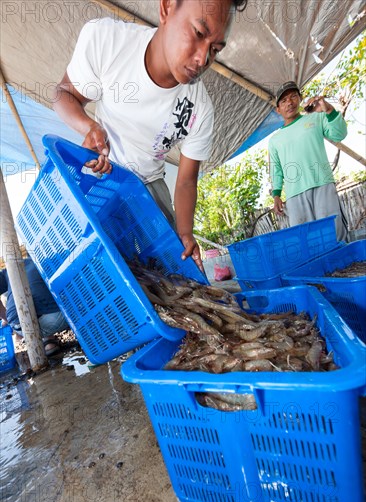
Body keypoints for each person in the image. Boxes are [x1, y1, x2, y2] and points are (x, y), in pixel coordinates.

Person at [52, 0, 248, 271]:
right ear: (167, 7)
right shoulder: (108, 41)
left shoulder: (199, 109)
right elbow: (64, 95)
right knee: (99, 268)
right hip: (103, 176)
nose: (203, 59)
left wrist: (185, 232)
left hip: (151, 188)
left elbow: (186, 182)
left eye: (215, 49)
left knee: (164, 272)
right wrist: (90, 127)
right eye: (199, 34)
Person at [269, 81, 348, 241]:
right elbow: (276, 168)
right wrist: (276, 195)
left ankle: (344, 265)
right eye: (283, 101)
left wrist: (329, 110)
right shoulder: (274, 140)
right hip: (294, 194)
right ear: (278, 109)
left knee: (333, 233)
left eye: (293, 97)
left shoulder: (316, 119)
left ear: (300, 98)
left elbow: (339, 134)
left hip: (322, 184)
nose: (289, 102)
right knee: (307, 239)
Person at [0, 258, 69, 356]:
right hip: (54, 319)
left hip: (22, 328)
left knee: (10, 294)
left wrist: (7, 319)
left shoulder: (9, 270)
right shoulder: (43, 261)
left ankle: (45, 340)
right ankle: (49, 340)